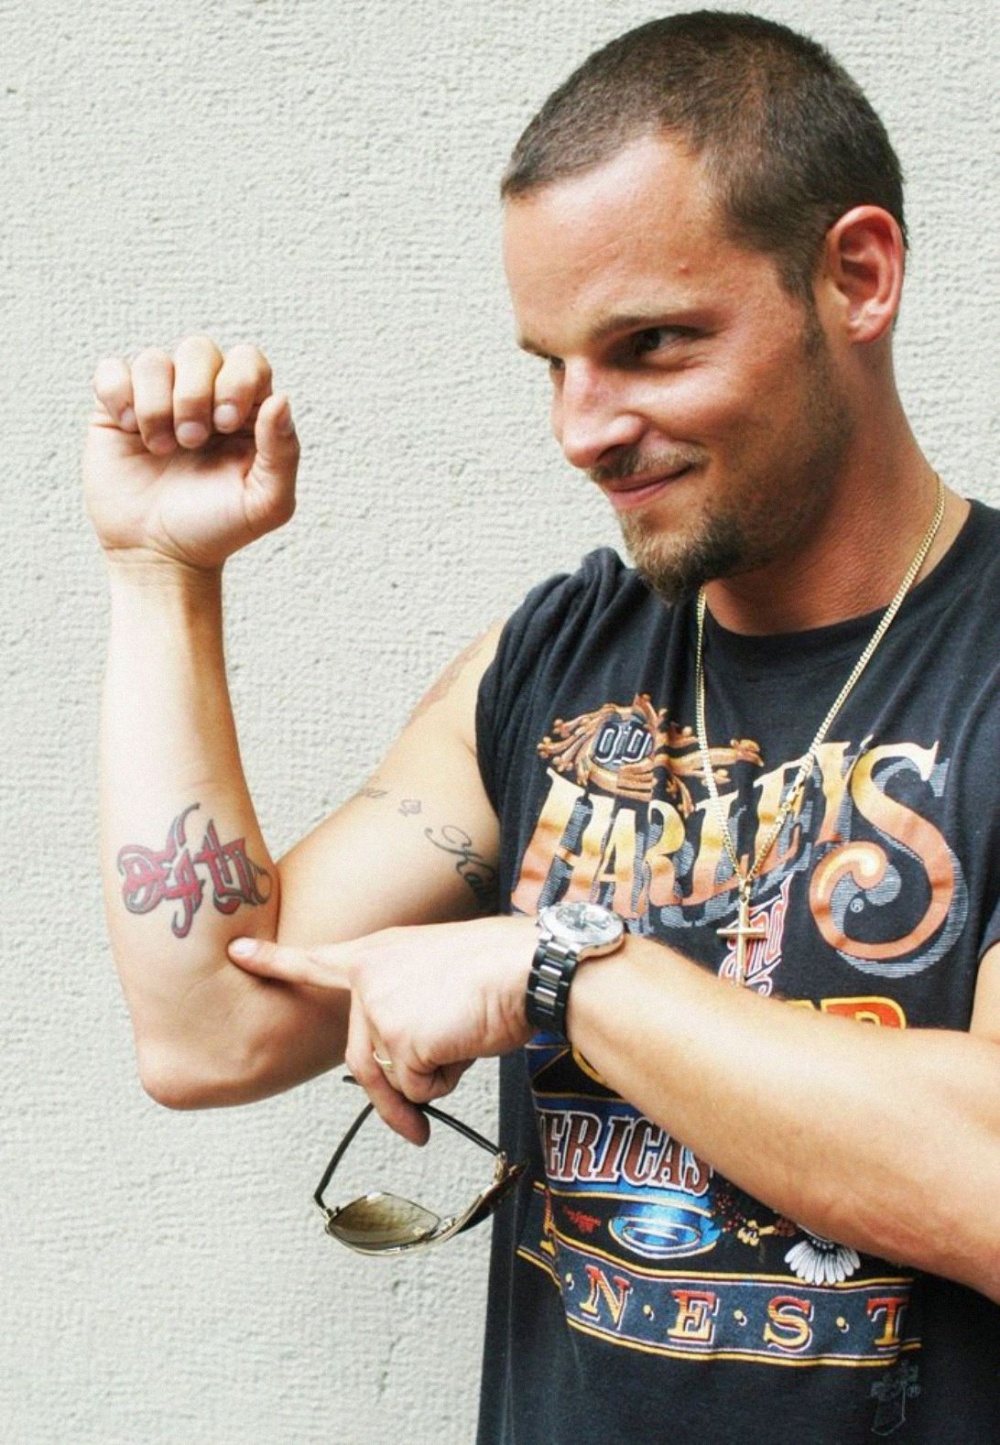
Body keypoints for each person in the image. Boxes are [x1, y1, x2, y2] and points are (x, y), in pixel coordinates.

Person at [85, 11, 999, 1443]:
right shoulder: (552, 665)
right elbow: (211, 1028)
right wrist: (160, 575)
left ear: (858, 277)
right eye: (553, 362)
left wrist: (555, 970)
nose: (583, 429)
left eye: (651, 345)